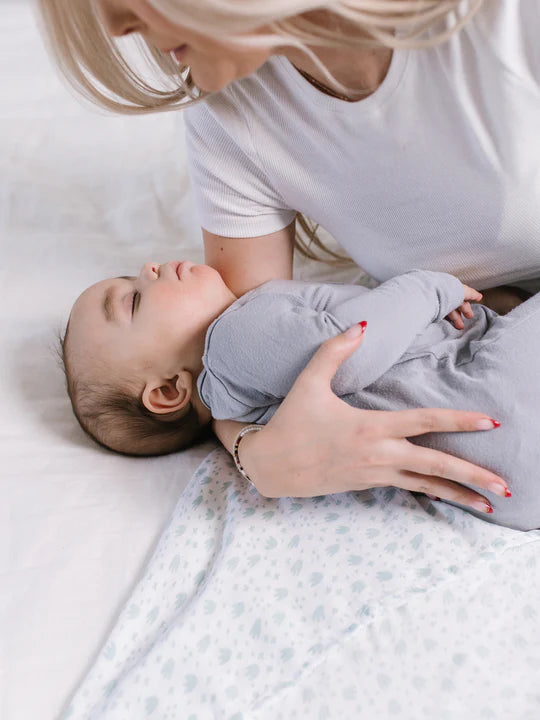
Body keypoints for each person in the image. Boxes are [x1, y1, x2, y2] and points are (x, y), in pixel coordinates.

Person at [37, 0, 540, 511]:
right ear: (166, 393)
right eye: (133, 301)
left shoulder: (510, 22)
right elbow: (306, 363)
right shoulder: (231, 114)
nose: (115, 26)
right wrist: (254, 453)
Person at [63, 259, 540, 529]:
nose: (148, 268)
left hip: (501, 484)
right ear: (169, 391)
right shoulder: (232, 341)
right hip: (494, 394)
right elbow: (347, 349)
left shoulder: (254, 403)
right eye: (133, 300)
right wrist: (429, 290)